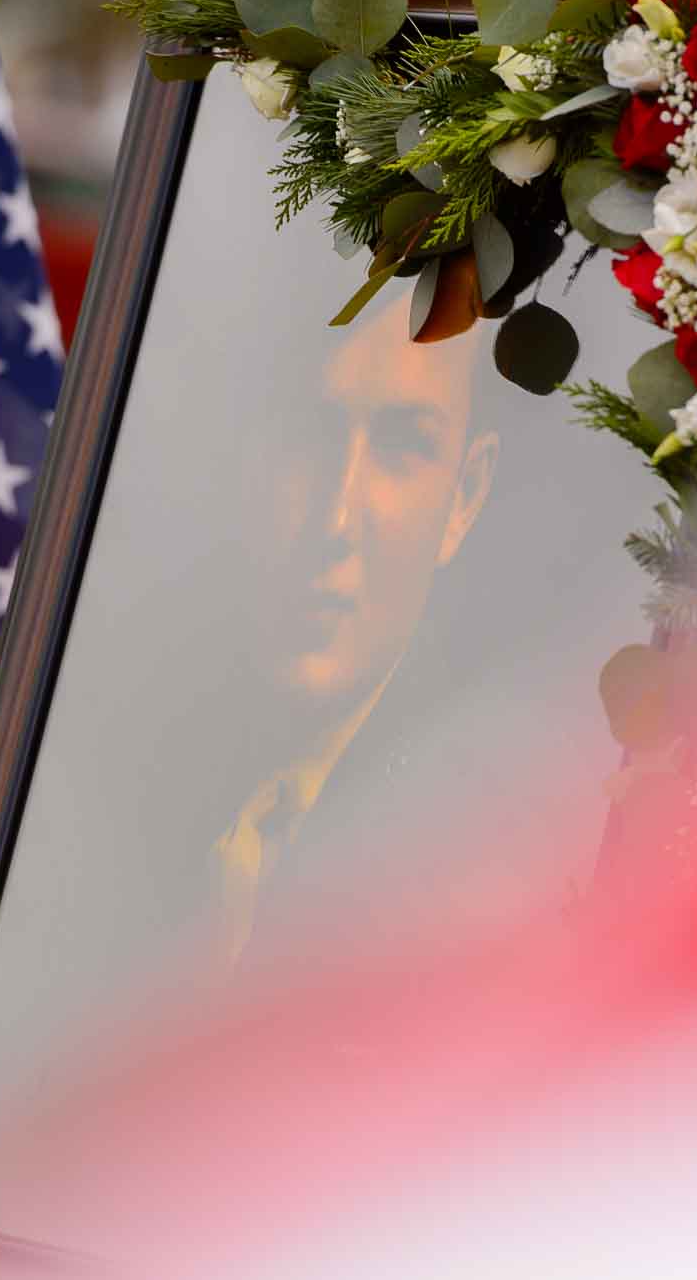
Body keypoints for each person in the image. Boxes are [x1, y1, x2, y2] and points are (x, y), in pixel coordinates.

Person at [214, 294, 500, 973]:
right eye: (310, 433)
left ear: (464, 497)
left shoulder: (484, 867)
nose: (334, 521)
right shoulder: (122, 763)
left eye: (402, 446)